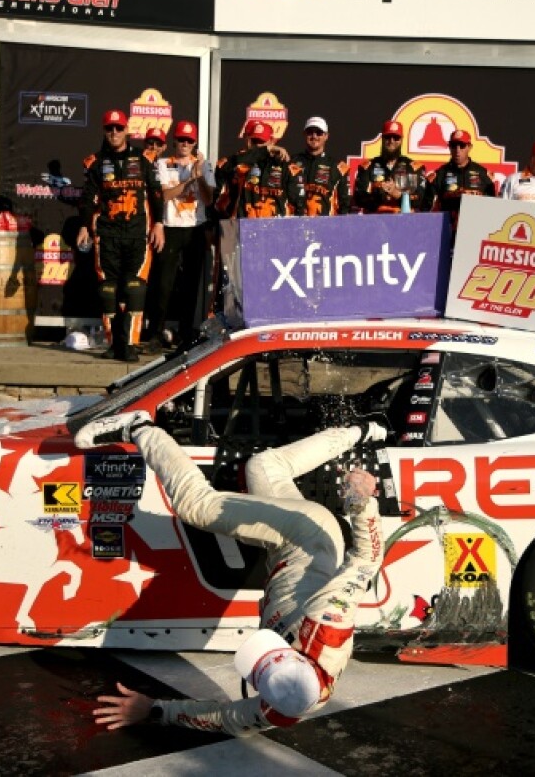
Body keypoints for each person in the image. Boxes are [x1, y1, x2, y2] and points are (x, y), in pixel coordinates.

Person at [77, 411, 387, 736]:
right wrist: (360, 501)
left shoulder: (280, 708)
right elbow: (366, 558)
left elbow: (225, 718)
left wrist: (154, 710)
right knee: (195, 505)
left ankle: (365, 428)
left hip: (295, 552)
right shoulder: (326, 623)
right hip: (305, 537)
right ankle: (138, 426)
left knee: (264, 468)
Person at [77, 109, 157, 363]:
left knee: (134, 289)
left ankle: (130, 344)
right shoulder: (96, 163)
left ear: (127, 131)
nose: (114, 133)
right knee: (108, 291)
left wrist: (160, 225)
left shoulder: (143, 159)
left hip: (137, 234)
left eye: (118, 128)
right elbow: (87, 199)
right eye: (110, 128)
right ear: (104, 131)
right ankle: (114, 344)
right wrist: (83, 226)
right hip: (107, 234)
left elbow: (156, 195)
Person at [143, 120, 217, 352]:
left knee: (191, 285)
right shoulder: (164, 163)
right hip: (171, 228)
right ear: (174, 141)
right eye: (181, 140)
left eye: (189, 140)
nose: (185, 144)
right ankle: (155, 333)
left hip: (195, 228)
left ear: (194, 143)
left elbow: (208, 199)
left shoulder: (205, 165)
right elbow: (164, 196)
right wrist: (187, 182)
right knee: (164, 284)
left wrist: (199, 177)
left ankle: (186, 335)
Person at [214, 121, 300, 219]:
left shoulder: (285, 165)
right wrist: (264, 150)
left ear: (271, 141)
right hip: (241, 224)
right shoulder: (238, 162)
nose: (258, 145)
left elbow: (296, 202)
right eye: (254, 141)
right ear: (248, 140)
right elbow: (223, 169)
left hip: (275, 226)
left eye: (262, 141)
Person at [422, 129, 496, 229]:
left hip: (475, 228)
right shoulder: (440, 174)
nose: (457, 150)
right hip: (447, 229)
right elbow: (426, 209)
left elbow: (492, 208)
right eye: (453, 146)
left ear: (469, 147)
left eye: (462, 146)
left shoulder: (483, 174)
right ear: (449, 147)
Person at [353, 120, 426, 214]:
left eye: (396, 138)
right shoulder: (368, 167)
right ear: (382, 139)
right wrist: (380, 195)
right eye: (388, 137)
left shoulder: (414, 168)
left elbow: (422, 200)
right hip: (376, 223)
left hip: (405, 223)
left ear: (401, 140)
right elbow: (359, 199)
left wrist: (399, 195)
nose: (391, 141)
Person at [293, 116, 350, 216]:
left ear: (326, 136)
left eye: (319, 133)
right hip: (296, 224)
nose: (314, 136)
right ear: (304, 134)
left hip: (326, 226)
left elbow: (345, 204)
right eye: (310, 132)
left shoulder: (337, 166)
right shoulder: (291, 162)